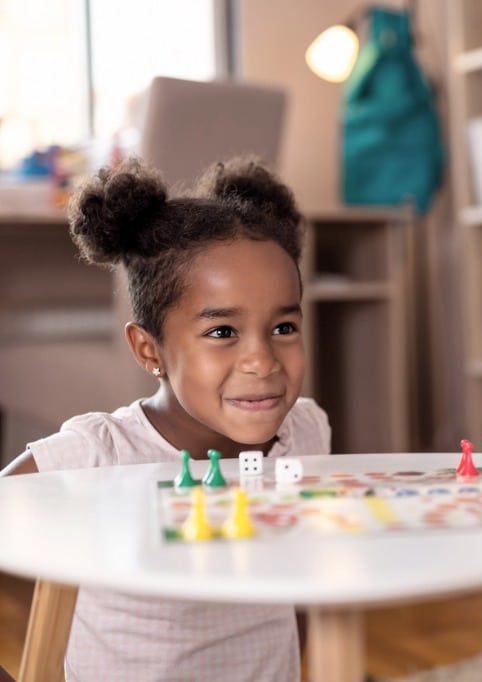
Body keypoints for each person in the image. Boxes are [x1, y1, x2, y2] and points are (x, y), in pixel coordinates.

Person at [0, 155, 330, 681]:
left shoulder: (307, 431)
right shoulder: (95, 455)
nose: (262, 360)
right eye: (222, 332)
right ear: (148, 349)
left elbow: (303, 592)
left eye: (284, 327)